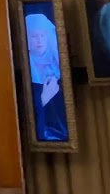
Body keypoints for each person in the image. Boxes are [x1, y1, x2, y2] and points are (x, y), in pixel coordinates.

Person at [25, 13, 67, 142]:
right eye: (34, 36)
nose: (39, 40)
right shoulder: (26, 65)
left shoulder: (57, 61)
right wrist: (44, 98)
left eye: (42, 35)